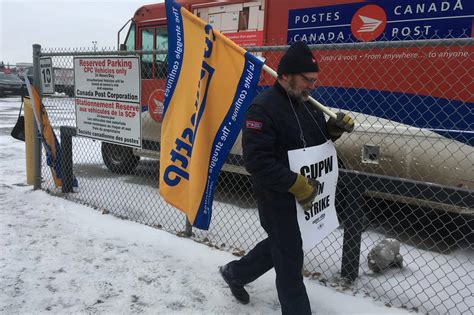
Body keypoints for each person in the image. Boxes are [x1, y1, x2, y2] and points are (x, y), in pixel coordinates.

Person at [219, 41, 354, 314]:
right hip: (276, 197)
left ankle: (235, 273)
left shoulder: (308, 104)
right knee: (290, 260)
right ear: (287, 75)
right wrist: (295, 184)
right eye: (308, 80)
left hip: (304, 197)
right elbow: (256, 161)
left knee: (281, 246)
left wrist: (333, 130)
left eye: (315, 80)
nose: (313, 86)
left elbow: (315, 142)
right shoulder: (262, 109)